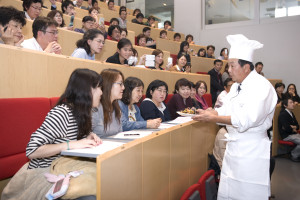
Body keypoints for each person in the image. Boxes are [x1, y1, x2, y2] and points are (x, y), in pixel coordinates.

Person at [192, 34, 277, 200]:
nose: (228, 70)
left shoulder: (261, 86)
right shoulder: (238, 85)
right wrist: (210, 113)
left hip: (251, 150)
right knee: (230, 191)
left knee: (248, 193)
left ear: (246, 67)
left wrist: (213, 118)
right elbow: (226, 109)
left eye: (232, 65)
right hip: (234, 148)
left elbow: (246, 120)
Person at [2, 69, 103, 200]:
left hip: (66, 166)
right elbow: (32, 150)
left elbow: (70, 135)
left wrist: (88, 135)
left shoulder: (83, 112)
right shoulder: (61, 113)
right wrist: (70, 145)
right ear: (86, 90)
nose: (101, 92)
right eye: (99, 87)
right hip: (45, 169)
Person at [92, 69, 124, 138]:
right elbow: (84, 136)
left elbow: (120, 133)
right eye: (120, 84)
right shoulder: (96, 108)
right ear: (108, 84)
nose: (123, 88)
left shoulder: (117, 106)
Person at [278, 97, 300, 161]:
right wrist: (293, 128)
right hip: (287, 136)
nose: (293, 104)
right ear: (285, 105)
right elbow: (287, 128)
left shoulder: (291, 113)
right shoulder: (282, 115)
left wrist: (293, 127)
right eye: (290, 103)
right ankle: (294, 155)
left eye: (293, 102)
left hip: (293, 134)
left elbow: (298, 125)